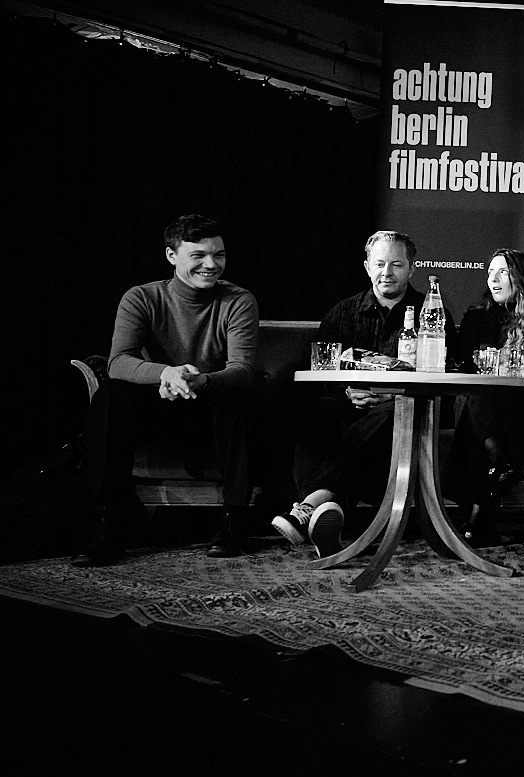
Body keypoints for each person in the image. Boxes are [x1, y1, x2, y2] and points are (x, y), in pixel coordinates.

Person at [74, 214, 260, 565]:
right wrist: (167, 374)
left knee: (238, 397)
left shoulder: (238, 300)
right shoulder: (142, 297)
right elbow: (118, 362)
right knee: (113, 395)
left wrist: (203, 380)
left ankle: (234, 522)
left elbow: (242, 367)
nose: (211, 264)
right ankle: (107, 523)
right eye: (199, 255)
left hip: (211, 404)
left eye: (218, 255)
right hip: (159, 404)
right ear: (172, 256)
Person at [272, 230, 456, 557]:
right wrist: (347, 391)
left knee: (399, 410)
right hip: (348, 409)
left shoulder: (430, 313)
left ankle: (311, 504)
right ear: (368, 267)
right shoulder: (343, 312)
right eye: (380, 264)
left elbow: (445, 375)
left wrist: (390, 394)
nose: (387, 272)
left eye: (397, 264)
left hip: (399, 414)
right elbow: (320, 371)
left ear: (412, 268)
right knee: (318, 411)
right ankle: (327, 512)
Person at [450, 248, 524, 545]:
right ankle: (498, 462)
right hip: (484, 406)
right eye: (490, 273)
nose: (494, 279)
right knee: (481, 390)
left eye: (503, 272)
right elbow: (465, 367)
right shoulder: (476, 318)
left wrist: (516, 372)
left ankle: (480, 509)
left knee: (484, 395)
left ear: (521, 277)